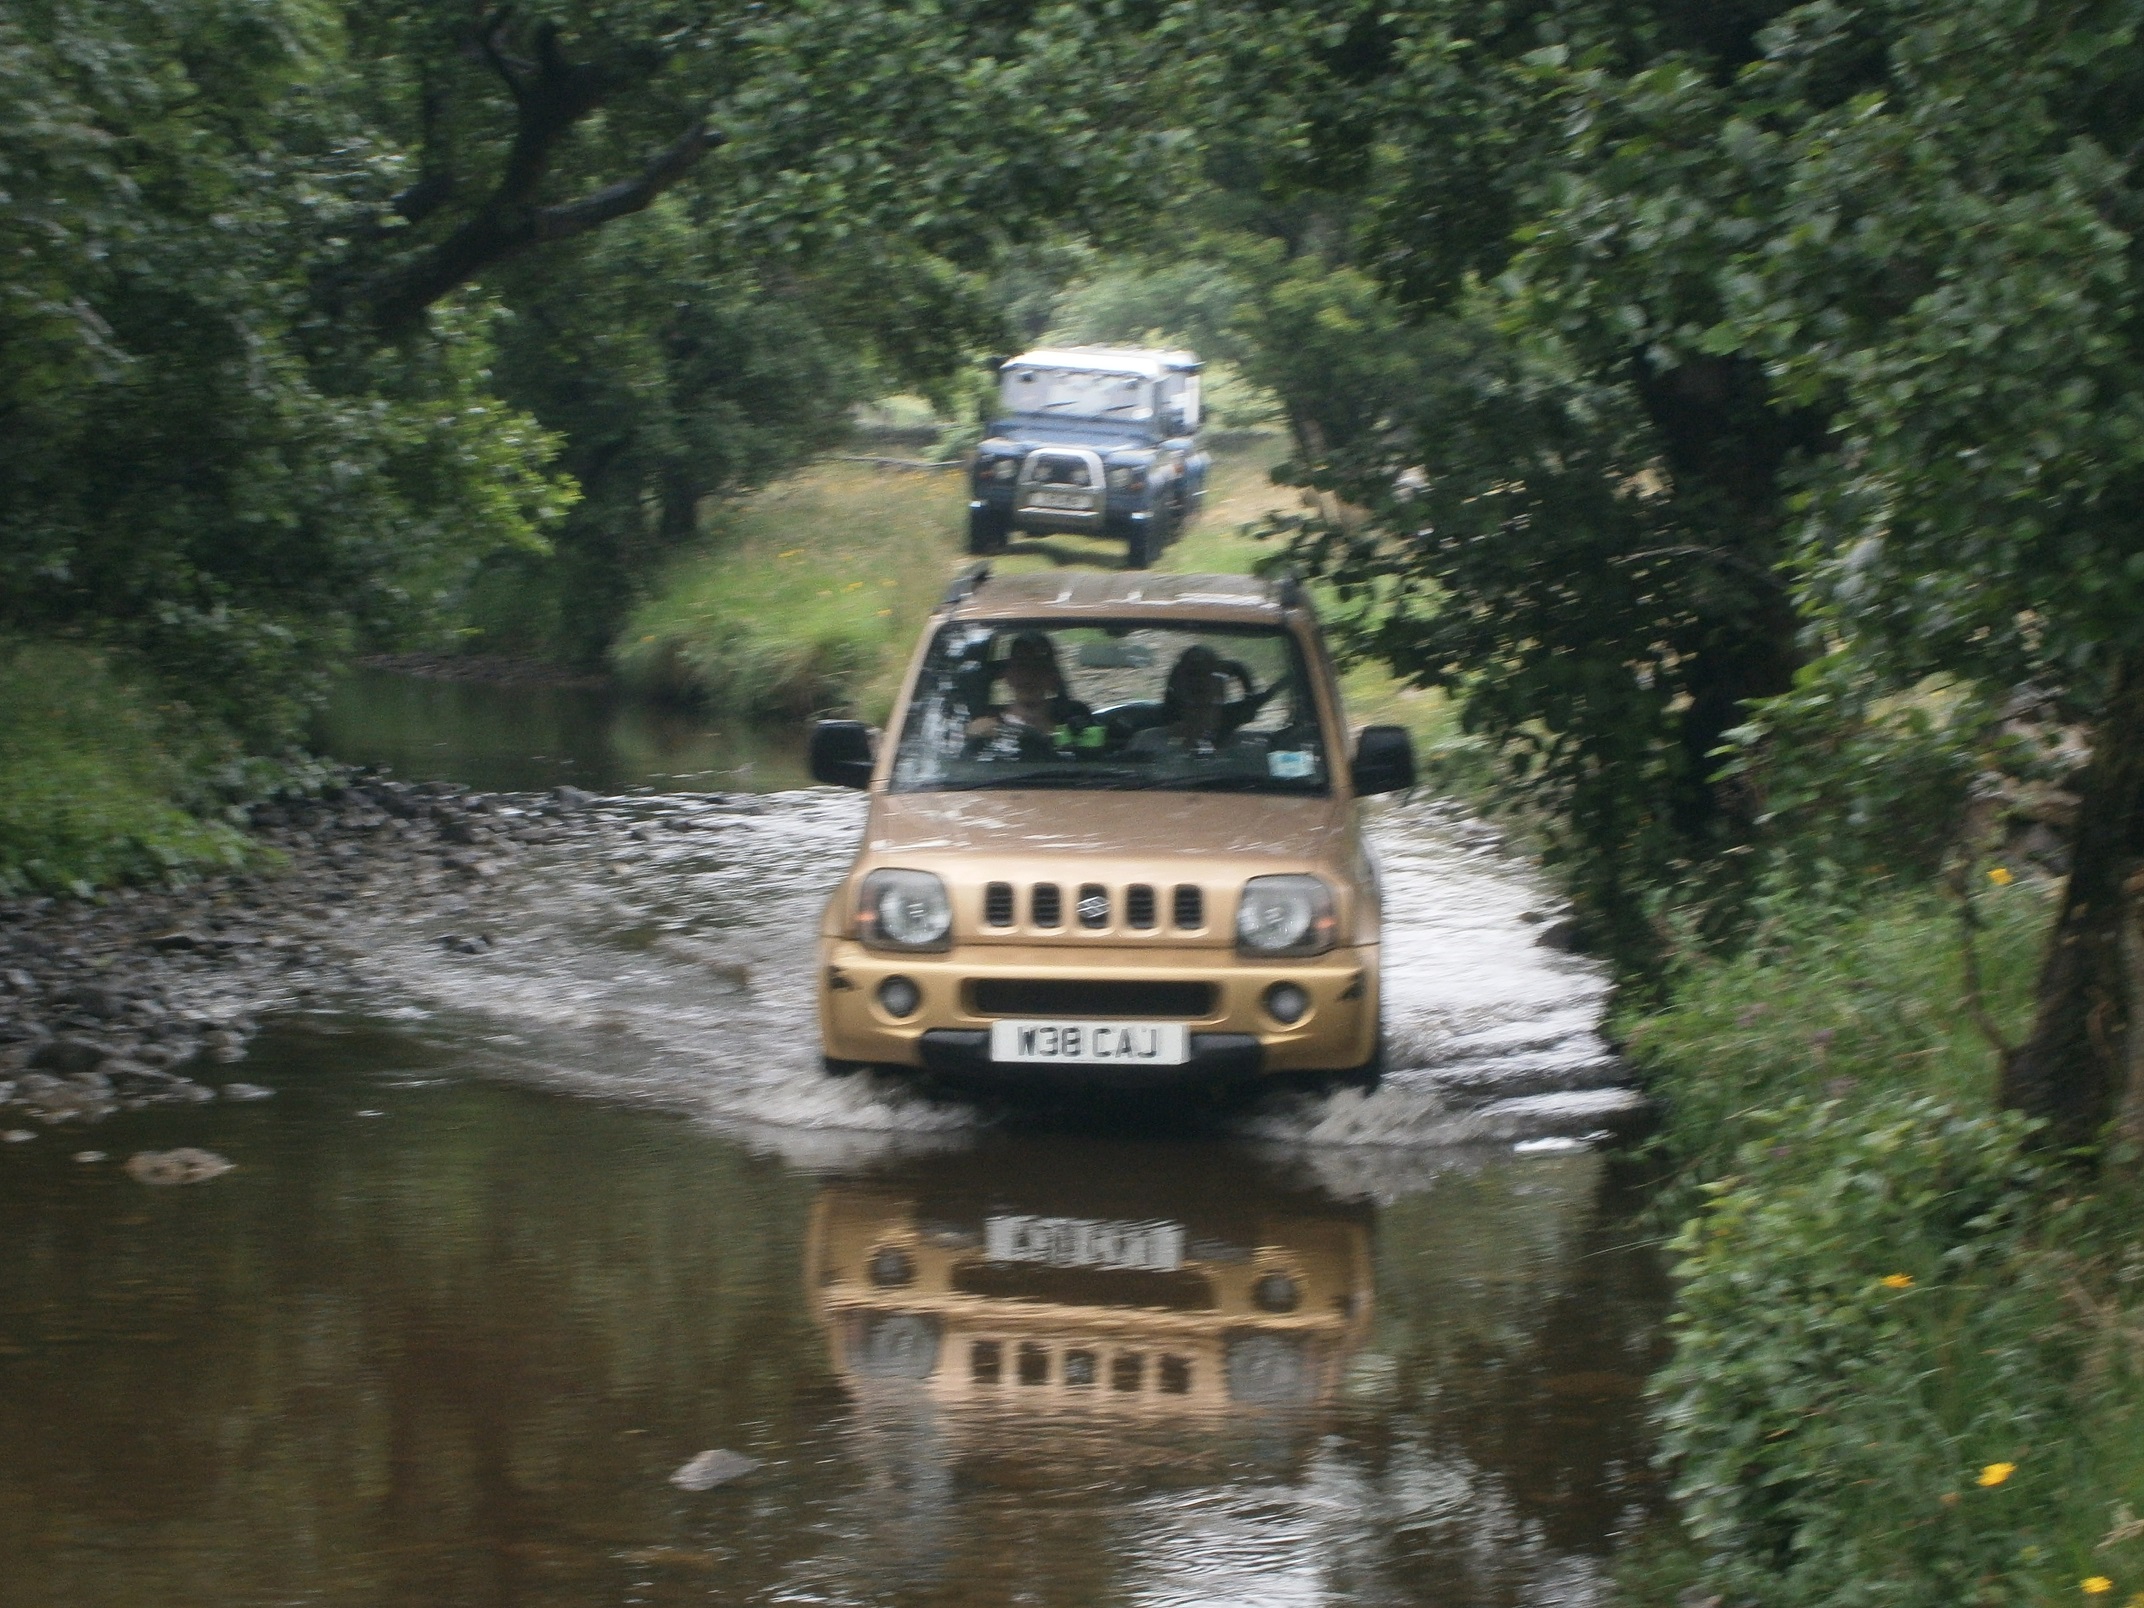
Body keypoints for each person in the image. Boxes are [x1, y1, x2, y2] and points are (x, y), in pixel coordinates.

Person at [963, 631, 1099, 756]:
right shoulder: (988, 723)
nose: (1028, 676)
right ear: (1007, 675)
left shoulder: (1075, 718)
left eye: (1038, 667)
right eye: (1021, 666)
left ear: (1052, 676)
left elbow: (1094, 759)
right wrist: (973, 736)